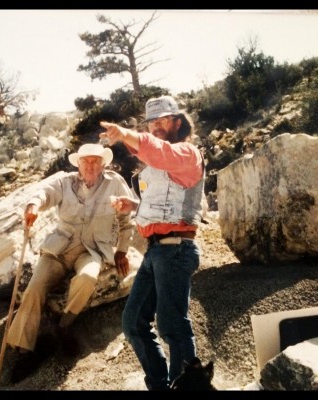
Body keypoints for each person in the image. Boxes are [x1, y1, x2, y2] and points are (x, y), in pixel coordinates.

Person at [100, 95, 205, 390]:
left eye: (162, 120)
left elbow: (159, 152)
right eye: (151, 122)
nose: (156, 126)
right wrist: (132, 206)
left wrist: (126, 135)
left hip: (176, 248)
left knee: (173, 325)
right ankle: (162, 385)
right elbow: (164, 205)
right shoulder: (158, 164)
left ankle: (188, 387)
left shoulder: (187, 153)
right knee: (133, 323)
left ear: (177, 122)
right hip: (156, 251)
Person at [6, 143, 134, 383]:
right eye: (86, 161)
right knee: (34, 289)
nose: (91, 165)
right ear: (79, 163)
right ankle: (22, 350)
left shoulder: (115, 183)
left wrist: (122, 251)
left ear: (103, 164)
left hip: (92, 250)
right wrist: (33, 206)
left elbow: (127, 220)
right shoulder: (65, 182)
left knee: (87, 278)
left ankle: (64, 325)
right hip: (60, 248)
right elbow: (43, 193)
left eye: (96, 161)